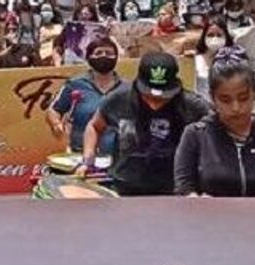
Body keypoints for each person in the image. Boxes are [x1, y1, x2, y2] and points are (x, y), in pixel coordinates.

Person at [82, 51, 213, 197]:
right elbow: (94, 126)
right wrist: (88, 160)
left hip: (175, 190)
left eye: (163, 98)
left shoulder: (192, 105)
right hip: (126, 187)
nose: (154, 104)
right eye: (148, 96)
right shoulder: (119, 99)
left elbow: (220, 131)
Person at [174, 57, 255, 197]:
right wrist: (195, 200)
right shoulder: (195, 135)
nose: (236, 108)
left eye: (243, 98)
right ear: (213, 99)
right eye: (225, 100)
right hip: (211, 217)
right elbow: (184, 188)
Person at [48, 35, 125, 157]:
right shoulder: (74, 84)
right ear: (89, 58)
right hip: (80, 153)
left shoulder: (126, 88)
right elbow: (54, 109)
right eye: (98, 53)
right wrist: (56, 125)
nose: (104, 56)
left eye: (109, 53)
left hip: (118, 155)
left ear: (116, 58)